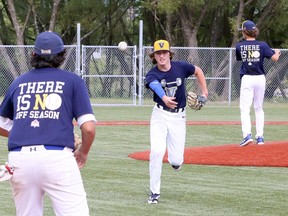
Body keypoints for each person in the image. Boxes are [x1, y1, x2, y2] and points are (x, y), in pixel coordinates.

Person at [0, 31, 96, 215]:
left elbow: (1, 124)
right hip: (58, 159)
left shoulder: (18, 83)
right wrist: (83, 153)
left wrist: (27, 134)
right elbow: (89, 129)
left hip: (20, 160)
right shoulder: (73, 81)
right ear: (62, 55)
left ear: (34, 54)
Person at [145, 39, 208, 204]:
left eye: (164, 52)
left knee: (176, 160)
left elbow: (198, 71)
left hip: (178, 117)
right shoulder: (152, 73)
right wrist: (164, 97)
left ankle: (175, 163)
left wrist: (205, 94)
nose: (161, 56)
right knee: (157, 151)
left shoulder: (180, 67)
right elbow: (154, 85)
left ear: (169, 54)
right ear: (154, 56)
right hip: (160, 114)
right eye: (158, 53)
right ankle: (154, 193)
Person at [236, 20, 281, 147]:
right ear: (255, 31)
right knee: (258, 107)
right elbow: (275, 58)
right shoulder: (263, 45)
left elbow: (240, 58)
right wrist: (277, 51)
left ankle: (247, 135)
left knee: (245, 108)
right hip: (260, 78)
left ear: (245, 31)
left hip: (247, 78)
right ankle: (260, 137)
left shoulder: (239, 46)